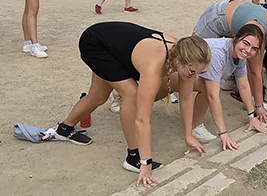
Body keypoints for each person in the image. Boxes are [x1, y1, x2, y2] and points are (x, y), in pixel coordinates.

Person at [54, 23, 211, 187]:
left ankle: (64, 129)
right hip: (95, 44)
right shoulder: (154, 66)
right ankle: (133, 157)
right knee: (132, 94)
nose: (195, 76)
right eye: (193, 71)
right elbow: (142, 119)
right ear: (179, 61)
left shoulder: (184, 55)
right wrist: (146, 162)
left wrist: (188, 136)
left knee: (98, 97)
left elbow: (186, 99)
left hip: (112, 45)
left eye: (198, 72)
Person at [193, 1, 267, 123]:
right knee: (194, 56)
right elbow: (255, 71)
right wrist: (259, 106)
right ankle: (173, 87)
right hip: (218, 16)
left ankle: (226, 83)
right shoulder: (259, 30)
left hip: (237, 19)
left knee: (229, 60)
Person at [192, 25, 267, 148]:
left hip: (192, 72)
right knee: (208, 90)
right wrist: (223, 133)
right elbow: (213, 96)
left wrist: (252, 116)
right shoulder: (218, 53)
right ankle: (195, 126)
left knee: (208, 87)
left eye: (254, 48)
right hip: (178, 72)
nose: (248, 50)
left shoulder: (240, 54)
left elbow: (243, 85)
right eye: (246, 43)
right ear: (235, 38)